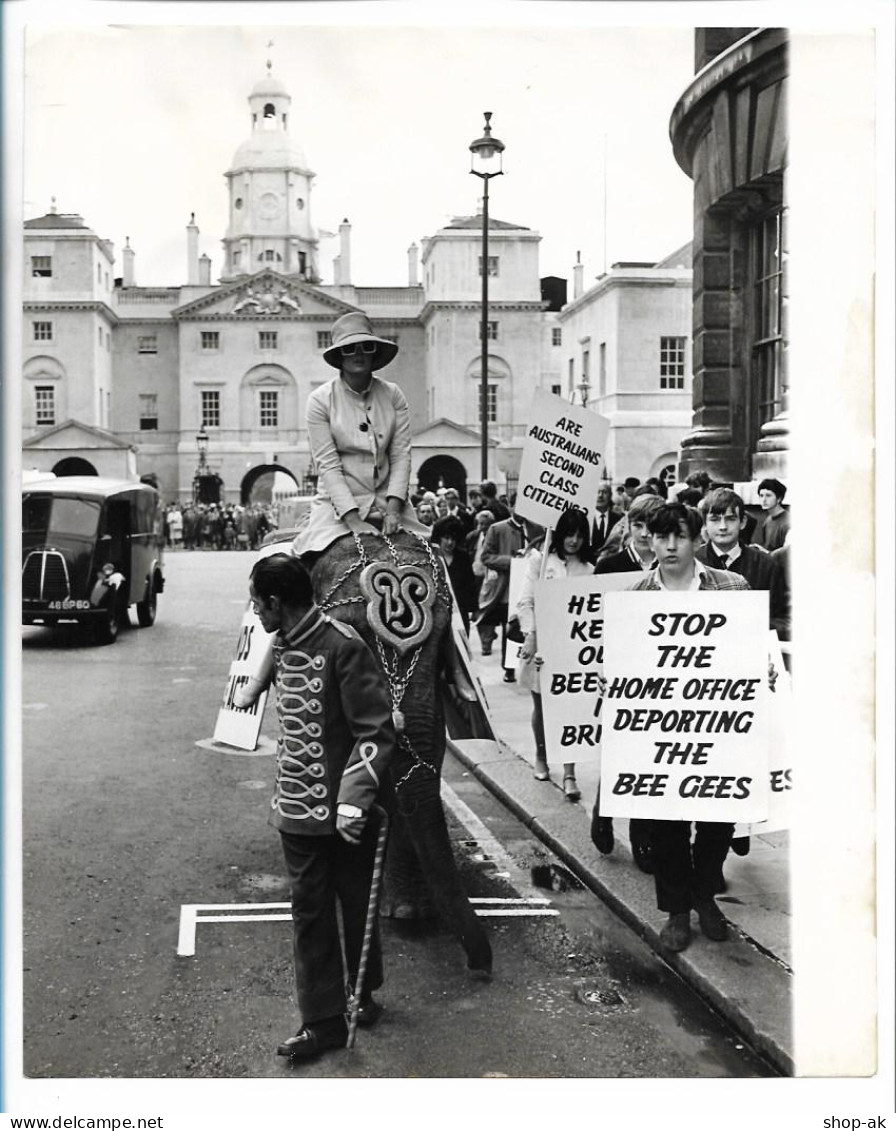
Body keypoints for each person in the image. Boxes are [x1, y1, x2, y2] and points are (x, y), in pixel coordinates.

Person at [248, 554, 396, 1061]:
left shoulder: (342, 646)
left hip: (344, 812)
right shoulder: (281, 642)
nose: (255, 613)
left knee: (357, 905)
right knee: (310, 912)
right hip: (297, 811)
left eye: (257, 603)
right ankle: (323, 1020)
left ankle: (364, 991)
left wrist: (353, 802)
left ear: (274, 602)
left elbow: (374, 730)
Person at [625, 502, 749, 953]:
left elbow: (749, 648)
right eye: (661, 537)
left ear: (697, 539)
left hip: (719, 724)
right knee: (666, 822)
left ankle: (704, 897)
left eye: (679, 536)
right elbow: (625, 660)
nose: (670, 545)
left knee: (718, 817)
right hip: (661, 729)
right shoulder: (636, 595)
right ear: (650, 540)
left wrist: (764, 669)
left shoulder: (732, 587)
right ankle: (678, 910)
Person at [292, 311, 425, 561]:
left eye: (366, 347)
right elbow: (328, 466)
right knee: (308, 568)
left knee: (433, 562)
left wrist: (394, 510)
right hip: (337, 512)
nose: (359, 354)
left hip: (390, 505)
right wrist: (354, 521)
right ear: (339, 356)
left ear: (374, 351)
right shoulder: (320, 400)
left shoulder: (394, 394)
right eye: (350, 349)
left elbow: (401, 456)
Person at [516, 508, 594, 800]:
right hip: (541, 646)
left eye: (579, 534)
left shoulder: (589, 569)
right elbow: (525, 602)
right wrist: (531, 635)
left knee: (570, 710)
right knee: (542, 706)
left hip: (574, 648)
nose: (573, 540)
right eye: (568, 533)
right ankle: (541, 756)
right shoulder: (540, 559)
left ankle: (570, 772)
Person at [478, 494, 543, 679]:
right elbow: (486, 557)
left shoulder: (536, 529)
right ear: (510, 506)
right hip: (507, 587)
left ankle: (527, 663)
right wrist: (512, 561)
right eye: (518, 506)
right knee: (511, 626)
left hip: (531, 583)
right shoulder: (497, 529)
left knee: (528, 624)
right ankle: (509, 667)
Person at [432, 516, 477, 633]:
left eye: (453, 539)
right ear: (439, 538)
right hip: (437, 611)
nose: (450, 542)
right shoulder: (432, 557)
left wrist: (473, 609)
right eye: (446, 538)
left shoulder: (463, 556)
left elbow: (470, 583)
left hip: (460, 612)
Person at [466, 509, 494, 609]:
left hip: (489, 575)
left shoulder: (495, 537)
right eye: (480, 524)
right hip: (475, 573)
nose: (482, 527)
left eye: (485, 524)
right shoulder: (472, 536)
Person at [753, 478, 790, 551]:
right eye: (761, 495)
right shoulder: (767, 521)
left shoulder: (787, 523)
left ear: (779, 498)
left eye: (768, 495)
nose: (764, 500)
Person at [590, 483, 623, 555]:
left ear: (610, 496)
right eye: (597, 492)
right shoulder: (586, 518)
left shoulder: (619, 520)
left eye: (604, 492)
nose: (600, 495)